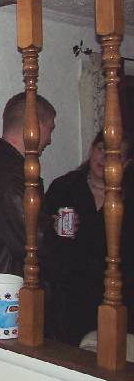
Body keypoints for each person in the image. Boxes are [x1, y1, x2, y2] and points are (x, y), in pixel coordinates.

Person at [41, 131, 134, 346]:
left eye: (115, 155)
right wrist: (50, 227)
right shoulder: (65, 187)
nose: (104, 158)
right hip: (67, 301)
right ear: (92, 149)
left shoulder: (128, 198)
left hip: (116, 300)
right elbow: (40, 242)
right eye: (101, 149)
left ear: (126, 163)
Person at [0, 92, 57, 276]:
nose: (49, 140)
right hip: (4, 290)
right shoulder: (9, 177)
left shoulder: (2, 167)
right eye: (50, 129)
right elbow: (35, 244)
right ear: (35, 125)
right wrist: (56, 230)